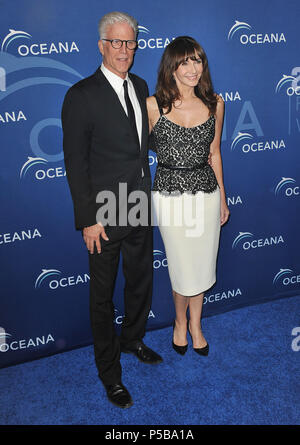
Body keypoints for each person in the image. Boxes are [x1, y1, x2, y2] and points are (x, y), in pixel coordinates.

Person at [61, 11, 162, 409]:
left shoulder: (139, 86)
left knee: (140, 279)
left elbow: (145, 143)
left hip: (138, 201)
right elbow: (75, 162)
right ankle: (109, 373)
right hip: (103, 210)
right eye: (116, 42)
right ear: (102, 45)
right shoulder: (81, 95)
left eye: (130, 42)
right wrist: (88, 218)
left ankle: (133, 339)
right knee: (102, 297)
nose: (124, 50)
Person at [147, 36, 229, 357]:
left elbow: (216, 153)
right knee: (182, 267)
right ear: (172, 67)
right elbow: (134, 152)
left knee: (202, 265)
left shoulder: (215, 103)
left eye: (198, 61)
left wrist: (222, 199)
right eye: (185, 62)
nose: (193, 69)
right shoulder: (152, 105)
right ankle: (179, 322)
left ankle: (196, 324)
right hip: (169, 197)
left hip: (206, 194)